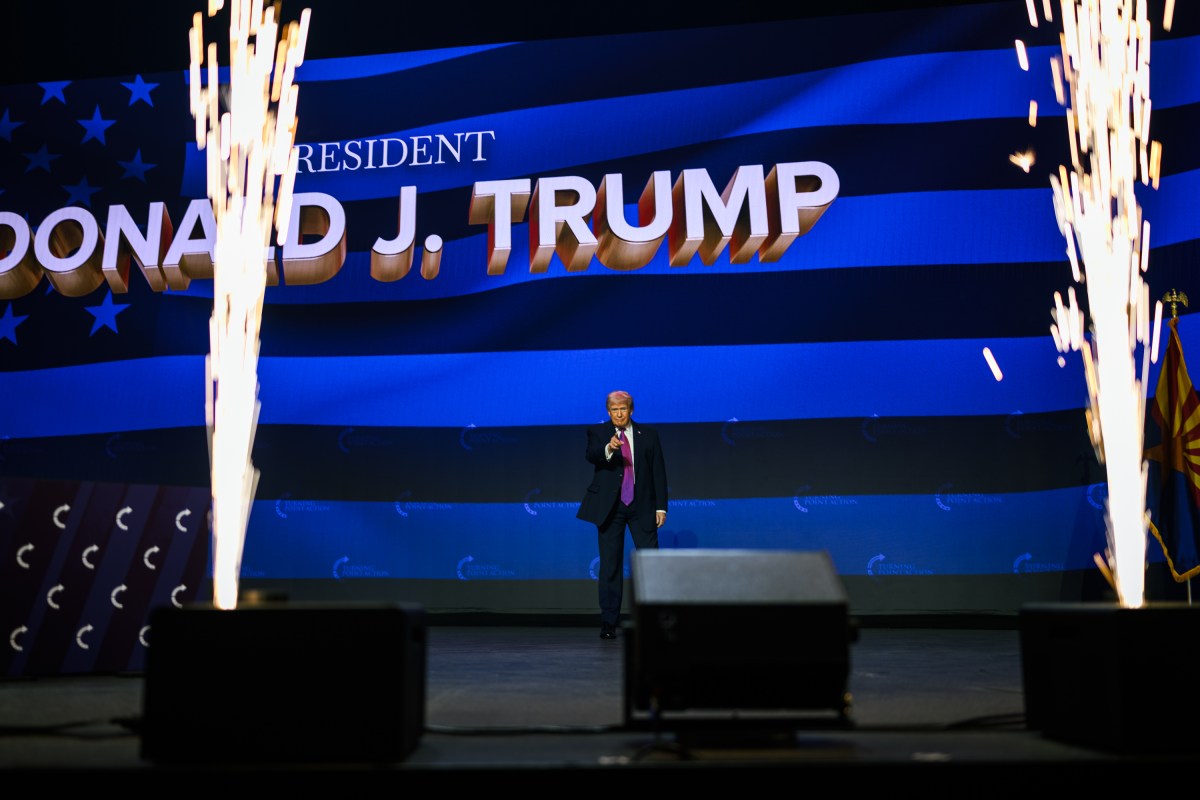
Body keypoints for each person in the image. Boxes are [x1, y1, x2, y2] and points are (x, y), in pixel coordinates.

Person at [576, 390, 668, 640]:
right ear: (608, 412)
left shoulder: (649, 435)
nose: (618, 414)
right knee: (610, 566)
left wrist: (661, 507)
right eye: (614, 410)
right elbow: (592, 455)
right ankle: (608, 622)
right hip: (611, 508)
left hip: (642, 507)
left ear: (631, 410)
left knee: (650, 564)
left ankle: (653, 620)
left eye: (623, 409)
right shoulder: (597, 433)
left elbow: (658, 470)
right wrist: (609, 447)